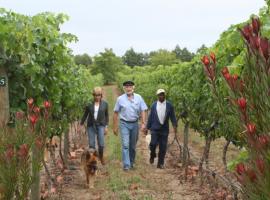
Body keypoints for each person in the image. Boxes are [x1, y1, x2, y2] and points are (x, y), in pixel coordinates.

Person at [113, 80, 148, 171]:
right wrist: (115, 126)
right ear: (124, 88)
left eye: (130, 87)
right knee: (125, 145)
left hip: (135, 124)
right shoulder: (120, 99)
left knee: (132, 146)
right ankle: (126, 165)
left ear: (133, 87)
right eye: (126, 87)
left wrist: (143, 123)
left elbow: (143, 110)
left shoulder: (139, 97)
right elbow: (116, 113)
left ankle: (132, 162)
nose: (128, 88)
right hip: (124, 123)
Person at [145, 89, 177, 169]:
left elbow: (173, 117)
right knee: (153, 144)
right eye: (159, 95)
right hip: (155, 129)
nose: (161, 96)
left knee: (163, 147)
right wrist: (147, 127)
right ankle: (152, 155)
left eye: (162, 94)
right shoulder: (153, 105)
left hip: (164, 130)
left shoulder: (169, 105)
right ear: (157, 96)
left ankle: (160, 163)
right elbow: (150, 118)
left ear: (165, 95)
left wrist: (174, 126)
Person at [79, 87, 109, 165]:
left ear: (101, 95)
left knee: (101, 144)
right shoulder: (89, 104)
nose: (97, 97)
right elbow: (85, 115)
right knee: (91, 145)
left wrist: (106, 126)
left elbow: (107, 116)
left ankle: (101, 157)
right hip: (91, 125)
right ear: (93, 95)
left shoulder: (105, 104)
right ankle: (93, 161)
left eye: (98, 95)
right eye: (95, 95)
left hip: (101, 125)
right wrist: (81, 124)